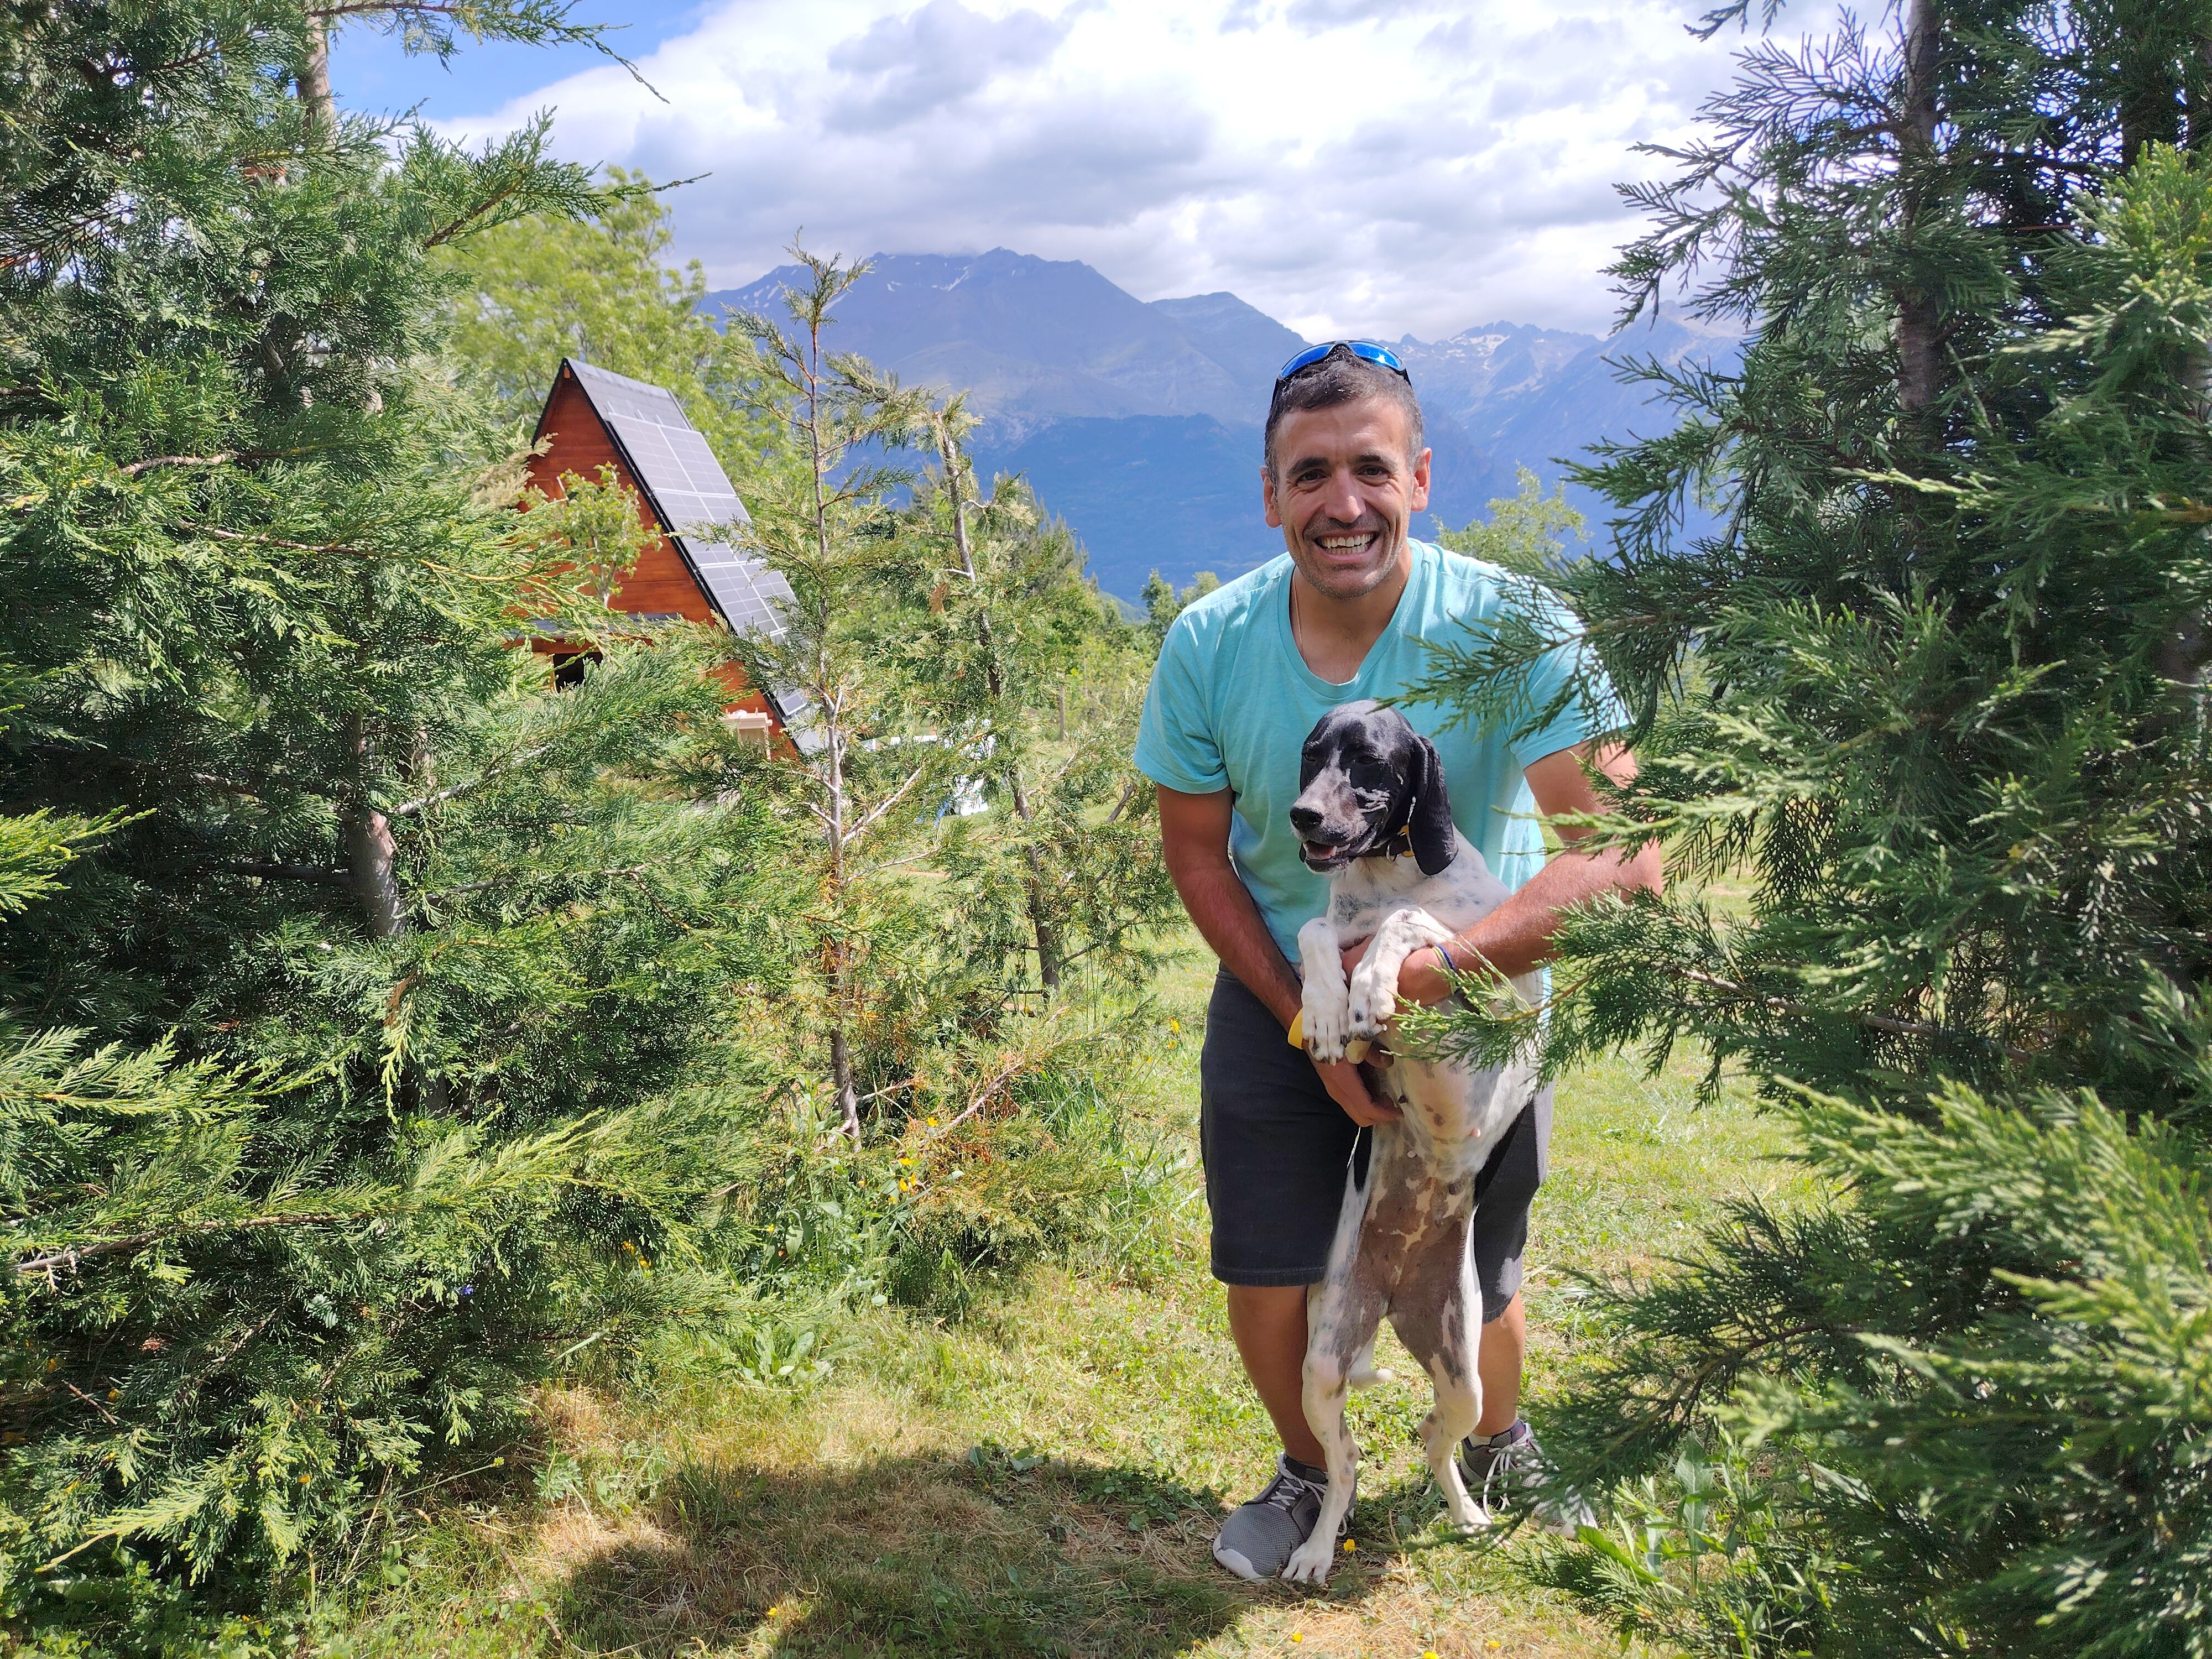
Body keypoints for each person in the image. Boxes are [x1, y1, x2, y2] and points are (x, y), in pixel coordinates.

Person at [1132, 340, 1662, 1580]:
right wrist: (1306, 1022)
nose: (1341, 504)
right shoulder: (1210, 646)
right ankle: (1304, 1474)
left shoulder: (1512, 625)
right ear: (1269, 497)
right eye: (1307, 476)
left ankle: (1493, 1442)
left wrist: (1433, 978)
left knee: (1475, 1252)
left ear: (1419, 478)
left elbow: (1627, 854)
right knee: (1268, 1269)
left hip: (1475, 990)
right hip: (1286, 975)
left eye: (1369, 469)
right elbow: (1199, 855)